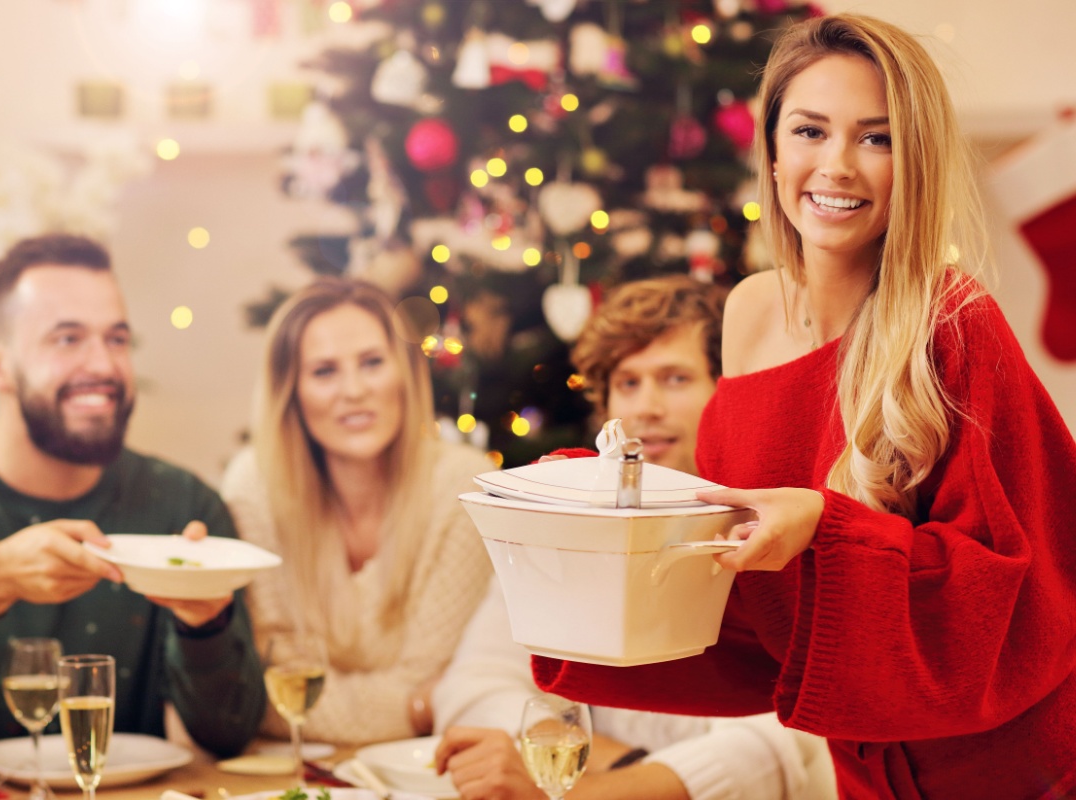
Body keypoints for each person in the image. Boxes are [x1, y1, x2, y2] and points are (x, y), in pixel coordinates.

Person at [532, 14, 1076, 799]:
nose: (838, 166)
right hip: (865, 771)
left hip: (1019, 771)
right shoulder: (748, 314)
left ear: (913, 160)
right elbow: (758, 612)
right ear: (775, 149)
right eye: (810, 131)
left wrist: (823, 528)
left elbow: (1021, 596)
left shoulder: (954, 323)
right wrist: (591, 536)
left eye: (876, 139)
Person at [433, 276, 837, 800]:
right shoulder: (567, 525)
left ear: (727, 389)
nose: (646, 408)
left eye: (674, 378)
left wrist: (591, 785)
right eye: (627, 383)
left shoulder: (779, 530)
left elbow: (782, 744)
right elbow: (471, 686)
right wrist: (609, 758)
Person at [0, 233, 266, 768]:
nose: (103, 366)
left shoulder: (183, 507)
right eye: (67, 339)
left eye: (117, 339)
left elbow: (228, 737)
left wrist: (206, 625)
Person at [220, 277, 493, 745]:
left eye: (371, 363)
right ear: (292, 390)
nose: (354, 391)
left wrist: (427, 698)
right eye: (324, 371)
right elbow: (255, 688)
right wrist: (414, 706)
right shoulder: (254, 485)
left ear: (404, 374)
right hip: (284, 772)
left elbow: (442, 680)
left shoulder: (462, 487)